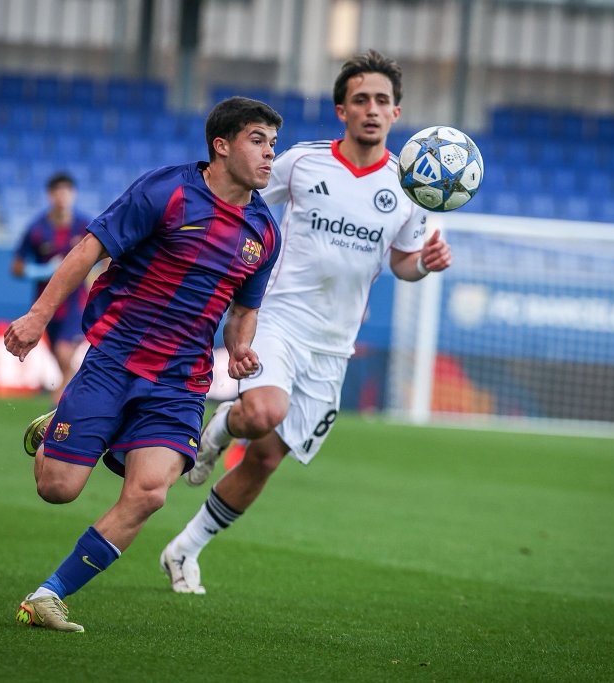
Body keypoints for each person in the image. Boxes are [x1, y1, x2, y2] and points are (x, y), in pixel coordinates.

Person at [160, 50, 453, 595]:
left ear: (396, 112)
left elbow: (403, 264)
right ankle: (223, 426)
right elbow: (239, 195)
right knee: (264, 411)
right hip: (279, 317)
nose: (372, 109)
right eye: (361, 99)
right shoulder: (301, 162)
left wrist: (425, 264)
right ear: (342, 110)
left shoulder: (411, 187)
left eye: (382, 101)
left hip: (334, 344)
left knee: (267, 458)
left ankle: (185, 548)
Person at [4, 96, 283, 632]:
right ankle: (62, 427)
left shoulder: (264, 233)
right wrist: (38, 316)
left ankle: (48, 595)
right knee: (57, 488)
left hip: (181, 382)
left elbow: (243, 311)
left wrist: (240, 347)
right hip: (115, 360)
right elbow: (89, 250)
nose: (270, 153)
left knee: (151, 491)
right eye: (257, 140)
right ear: (221, 146)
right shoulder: (167, 190)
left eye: (273, 143)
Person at [11, 171, 93, 404]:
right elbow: (16, 266)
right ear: (50, 195)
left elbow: (108, 254)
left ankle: (59, 406)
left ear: (73, 194)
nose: (62, 197)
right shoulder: (37, 229)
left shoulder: (84, 225)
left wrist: (101, 278)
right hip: (47, 305)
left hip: (76, 302)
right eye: (58, 192)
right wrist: (41, 271)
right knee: (61, 360)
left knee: (65, 353)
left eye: (67, 192)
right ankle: (74, 400)